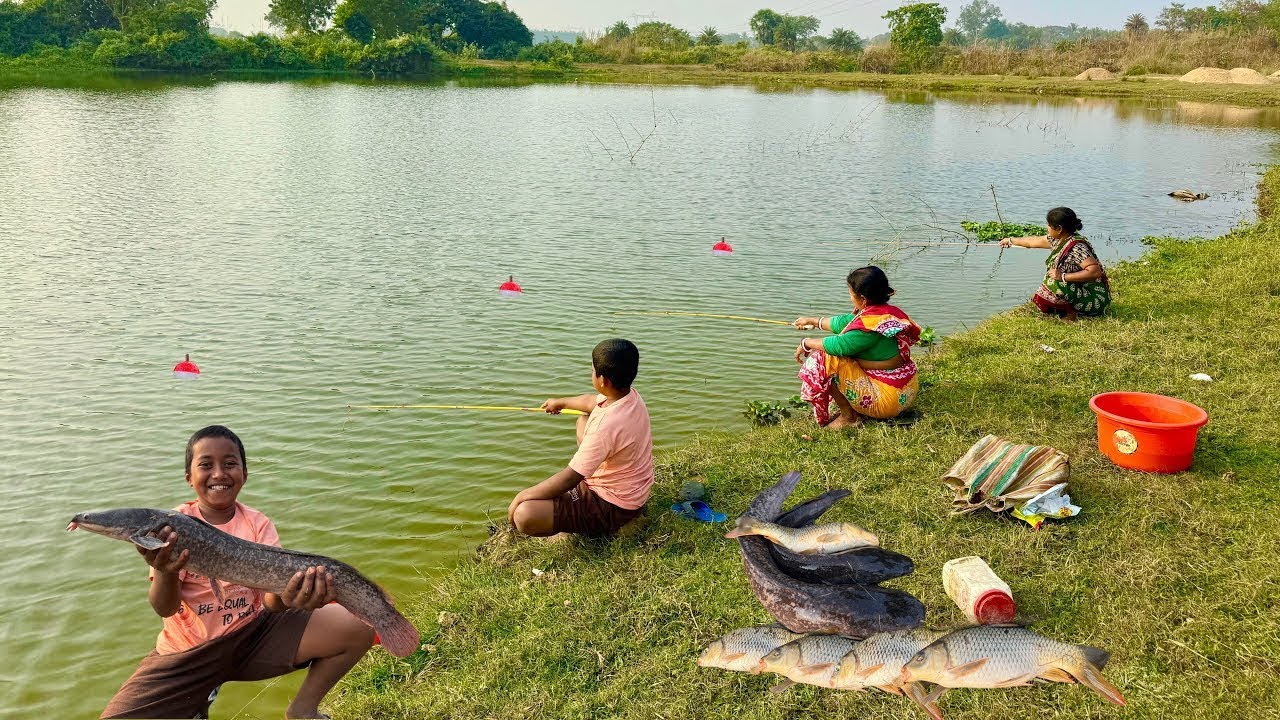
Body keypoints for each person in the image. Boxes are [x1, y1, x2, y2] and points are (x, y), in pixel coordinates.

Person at [101, 425, 375, 719]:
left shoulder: (257, 523)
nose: (219, 473)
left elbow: (271, 602)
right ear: (188, 478)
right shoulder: (172, 526)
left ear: (244, 474)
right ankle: (197, 702)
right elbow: (164, 607)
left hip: (253, 635)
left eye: (230, 464)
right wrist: (164, 570)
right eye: (206, 465)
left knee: (360, 627)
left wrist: (291, 596)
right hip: (188, 651)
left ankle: (302, 711)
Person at [507, 339, 654, 537]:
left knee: (525, 514)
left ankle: (611, 526)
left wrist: (522, 496)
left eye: (593, 370)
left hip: (614, 505)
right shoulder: (630, 397)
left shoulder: (605, 427)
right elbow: (589, 402)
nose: (591, 373)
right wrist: (561, 402)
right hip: (634, 491)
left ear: (603, 381)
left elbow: (571, 477)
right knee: (583, 419)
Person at [792, 266, 923, 429]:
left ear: (862, 298)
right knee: (835, 355)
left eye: (850, 293)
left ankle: (850, 418)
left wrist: (807, 343)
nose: (850, 297)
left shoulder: (866, 327)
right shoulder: (886, 312)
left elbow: (838, 346)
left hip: (887, 401)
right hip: (906, 392)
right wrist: (812, 321)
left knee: (824, 358)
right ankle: (855, 409)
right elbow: (845, 322)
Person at [999, 207, 1111, 321]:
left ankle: (1071, 313)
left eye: (1048, 225)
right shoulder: (1060, 239)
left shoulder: (1077, 247)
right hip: (1079, 290)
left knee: (1055, 284)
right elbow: (1032, 242)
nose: (1047, 227)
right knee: (1052, 283)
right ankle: (1065, 310)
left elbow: (1094, 271)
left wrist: (1063, 276)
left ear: (1059, 229)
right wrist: (1010, 240)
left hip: (1094, 298)